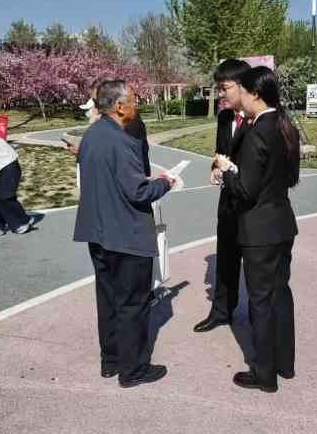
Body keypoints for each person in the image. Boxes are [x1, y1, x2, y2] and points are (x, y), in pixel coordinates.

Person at [73, 80, 176, 388]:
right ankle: (133, 369)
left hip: (98, 231)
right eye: (133, 100)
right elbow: (138, 191)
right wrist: (165, 183)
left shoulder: (92, 135)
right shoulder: (121, 141)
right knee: (133, 303)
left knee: (108, 299)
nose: (136, 104)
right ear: (119, 106)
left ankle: (111, 360)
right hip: (126, 233)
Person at [216, 66, 300, 393]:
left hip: (258, 231)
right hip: (282, 223)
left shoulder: (257, 132)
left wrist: (227, 171)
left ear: (254, 94)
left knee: (261, 302)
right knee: (281, 295)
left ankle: (264, 375)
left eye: (242, 92)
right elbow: (287, 177)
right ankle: (284, 364)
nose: (239, 97)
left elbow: (246, 190)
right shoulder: (284, 125)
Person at [193, 59, 251, 333]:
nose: (220, 94)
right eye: (218, 88)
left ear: (242, 86)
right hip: (228, 202)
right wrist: (215, 167)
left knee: (255, 266)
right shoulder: (225, 118)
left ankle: (258, 316)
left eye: (224, 88)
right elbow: (220, 153)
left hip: (252, 205)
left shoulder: (260, 118)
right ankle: (221, 312)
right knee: (226, 260)